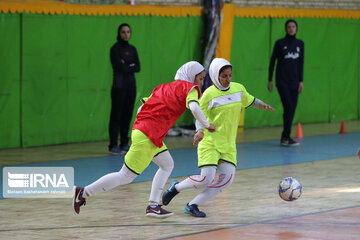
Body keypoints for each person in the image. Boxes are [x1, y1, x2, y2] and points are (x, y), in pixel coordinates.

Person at [73, 61, 216, 218]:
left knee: (167, 165)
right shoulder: (190, 89)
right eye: (200, 79)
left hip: (146, 133)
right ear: (191, 76)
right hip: (148, 135)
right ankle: (83, 192)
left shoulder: (163, 87)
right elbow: (195, 108)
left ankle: (153, 205)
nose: (202, 83)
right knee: (125, 176)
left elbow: (142, 108)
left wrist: (143, 127)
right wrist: (207, 124)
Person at [162, 58, 275, 217]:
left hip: (228, 145)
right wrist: (199, 131)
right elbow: (199, 116)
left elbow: (250, 100)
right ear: (215, 76)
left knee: (226, 180)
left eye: (229, 75)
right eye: (224, 76)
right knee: (205, 179)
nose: (228, 79)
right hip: (210, 143)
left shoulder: (238, 89)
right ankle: (175, 188)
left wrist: (262, 104)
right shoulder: (208, 94)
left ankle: (192, 204)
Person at [268, 19, 304, 147]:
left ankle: (285, 137)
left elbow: (301, 64)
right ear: (286, 28)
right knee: (288, 107)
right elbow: (273, 61)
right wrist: (270, 79)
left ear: (296, 28)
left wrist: (301, 81)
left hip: (295, 82)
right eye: (289, 27)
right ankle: (286, 136)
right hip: (282, 81)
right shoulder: (280, 43)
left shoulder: (300, 44)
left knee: (291, 110)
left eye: (293, 26)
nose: (291, 29)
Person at [108, 23, 140, 154]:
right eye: (123, 32)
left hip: (131, 86)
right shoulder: (115, 49)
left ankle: (124, 143)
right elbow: (120, 68)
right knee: (116, 115)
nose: (126, 34)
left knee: (127, 115)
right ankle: (113, 144)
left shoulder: (132, 49)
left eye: (128, 32)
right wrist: (128, 65)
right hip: (119, 86)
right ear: (119, 33)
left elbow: (137, 67)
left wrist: (126, 64)